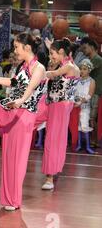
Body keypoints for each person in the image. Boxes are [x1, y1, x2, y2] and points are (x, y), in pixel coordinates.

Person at [0, 32, 46, 211]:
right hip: (12, 112)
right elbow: (13, 82)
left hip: (24, 115)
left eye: (17, 47)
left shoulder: (38, 67)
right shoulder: (22, 66)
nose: (15, 50)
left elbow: (31, 87)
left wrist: (21, 100)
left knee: (17, 159)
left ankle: (13, 200)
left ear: (27, 48)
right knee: (8, 157)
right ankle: (9, 198)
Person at [38, 39, 80, 190]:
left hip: (59, 107)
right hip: (51, 104)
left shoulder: (69, 67)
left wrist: (36, 71)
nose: (51, 56)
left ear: (62, 52)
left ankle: (50, 176)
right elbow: (53, 70)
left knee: (53, 140)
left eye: (52, 53)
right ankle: (52, 171)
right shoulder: (64, 64)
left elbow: (52, 74)